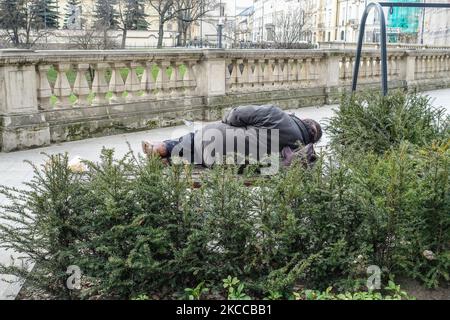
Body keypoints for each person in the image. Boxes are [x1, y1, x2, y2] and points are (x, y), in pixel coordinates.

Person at [142, 105, 322, 167]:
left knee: (200, 137)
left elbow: (237, 114)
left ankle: (162, 148)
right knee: (211, 150)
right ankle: (168, 158)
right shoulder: (301, 151)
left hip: (211, 142)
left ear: (302, 120)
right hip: (230, 165)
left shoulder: (277, 114)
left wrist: (226, 122)